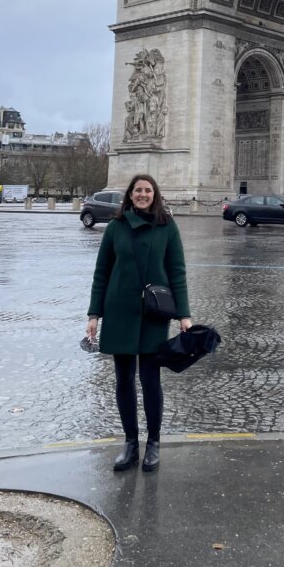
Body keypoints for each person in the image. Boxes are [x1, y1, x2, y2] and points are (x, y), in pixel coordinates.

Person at [85, 174, 191, 473]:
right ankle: (131, 443)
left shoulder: (168, 227)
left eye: (147, 191)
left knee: (150, 380)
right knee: (123, 381)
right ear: (129, 196)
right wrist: (94, 315)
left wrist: (184, 315)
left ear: (154, 194)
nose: (142, 195)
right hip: (119, 311)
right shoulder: (116, 228)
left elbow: (177, 272)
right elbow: (101, 273)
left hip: (153, 314)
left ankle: (153, 442)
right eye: (137, 191)